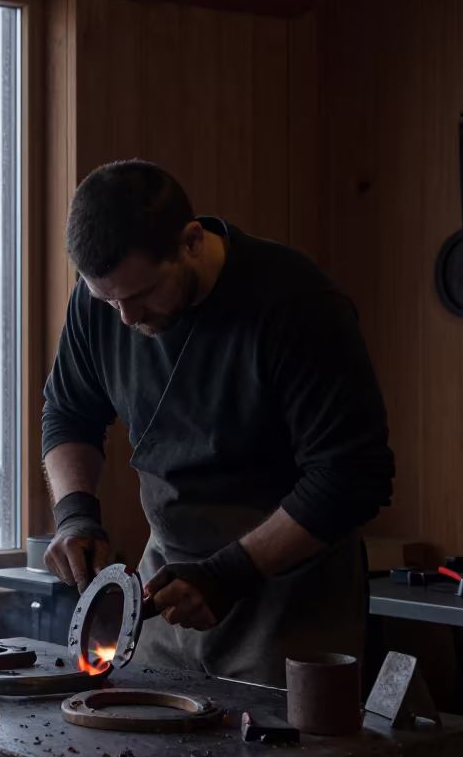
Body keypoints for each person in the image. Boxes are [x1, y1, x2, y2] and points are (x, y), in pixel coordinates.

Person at [42, 159, 394, 687]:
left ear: (190, 241)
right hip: (168, 585)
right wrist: (74, 514)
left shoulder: (296, 305)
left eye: (140, 296)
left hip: (289, 594)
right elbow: (69, 412)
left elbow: (351, 476)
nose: (127, 320)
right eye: (107, 299)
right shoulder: (106, 303)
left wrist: (229, 573)